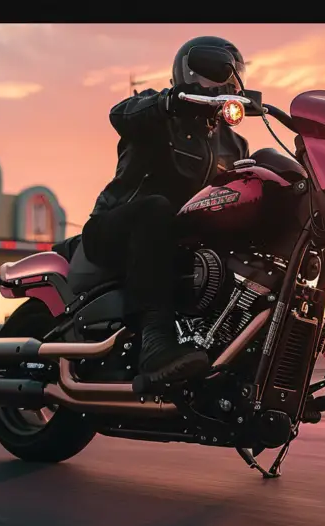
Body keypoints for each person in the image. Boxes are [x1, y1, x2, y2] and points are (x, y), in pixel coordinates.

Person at [81, 36, 250, 392]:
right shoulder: (157, 113)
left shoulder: (234, 145)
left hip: (172, 246)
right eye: (208, 74)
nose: (219, 86)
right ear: (185, 72)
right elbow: (120, 114)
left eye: (229, 79)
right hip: (116, 229)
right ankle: (154, 343)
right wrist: (166, 103)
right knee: (157, 209)